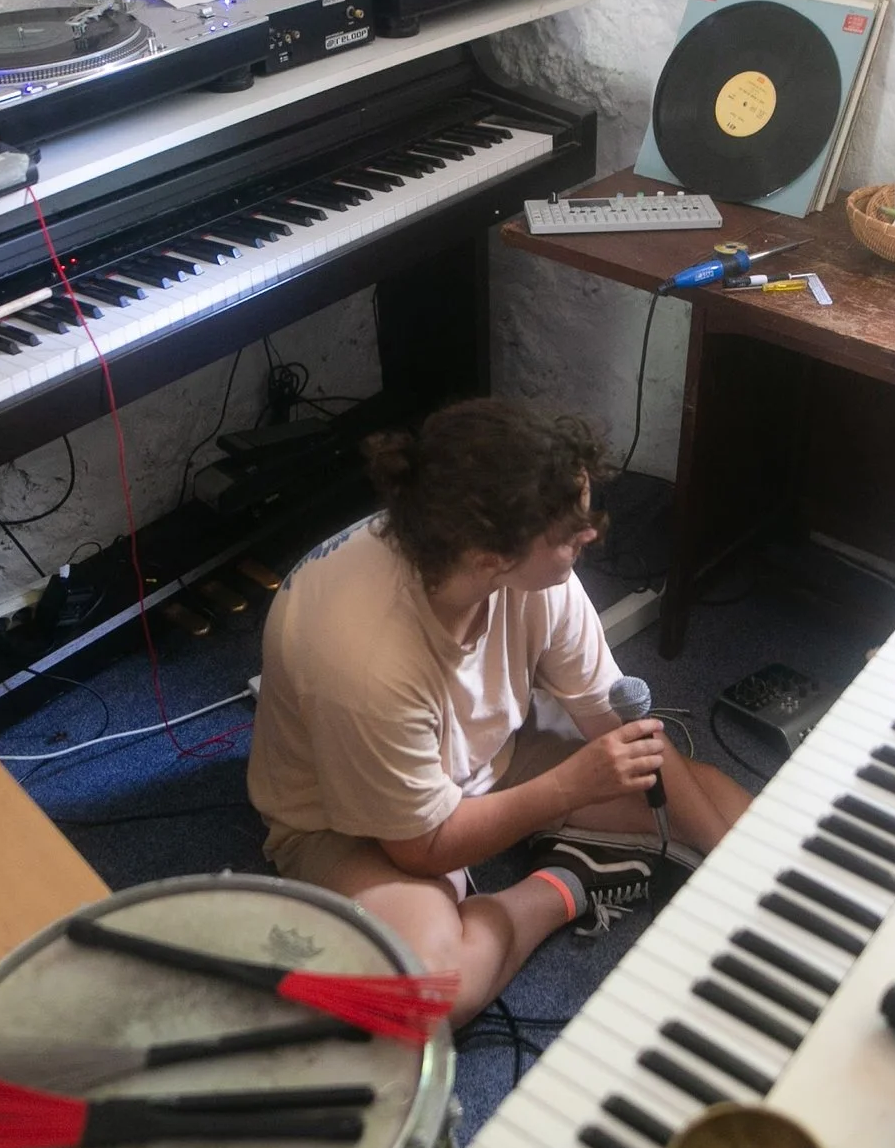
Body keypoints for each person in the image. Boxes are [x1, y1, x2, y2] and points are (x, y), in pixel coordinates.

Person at [246, 398, 754, 1023]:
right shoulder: (364, 657)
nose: (590, 533)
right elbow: (421, 848)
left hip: (492, 755)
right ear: (492, 558)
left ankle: (582, 842)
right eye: (570, 533)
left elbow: (617, 725)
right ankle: (563, 886)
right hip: (351, 822)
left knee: (735, 817)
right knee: (429, 996)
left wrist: (732, 865)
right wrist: (570, 786)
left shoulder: (524, 571)